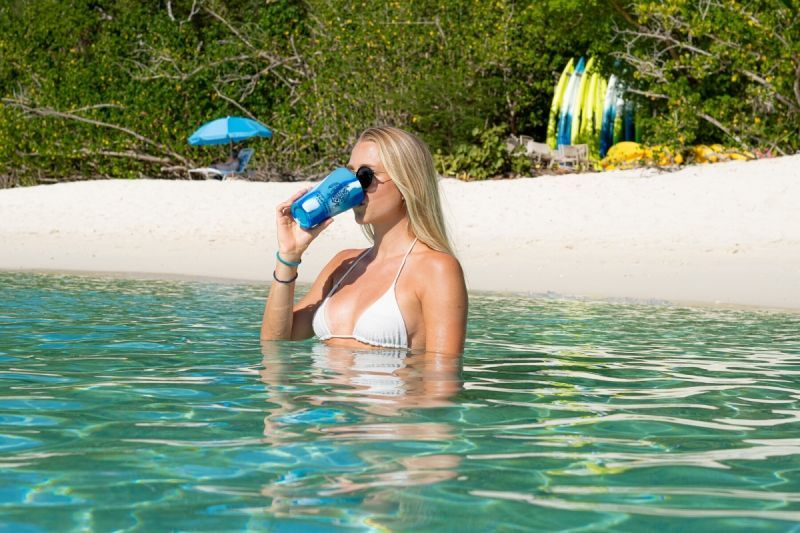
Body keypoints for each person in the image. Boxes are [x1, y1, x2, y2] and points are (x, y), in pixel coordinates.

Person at [260, 126, 467, 355]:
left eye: (364, 176)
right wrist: (289, 256)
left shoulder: (436, 269)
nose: (352, 188)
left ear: (406, 184)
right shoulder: (344, 264)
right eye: (350, 175)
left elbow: (443, 379)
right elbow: (275, 341)